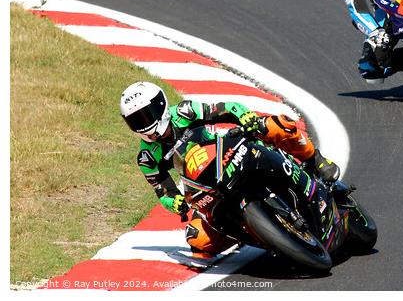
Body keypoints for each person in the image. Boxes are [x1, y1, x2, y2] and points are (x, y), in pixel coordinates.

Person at [120, 81, 339, 258]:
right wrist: (175, 203)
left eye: (145, 115)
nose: (142, 124)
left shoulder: (185, 112)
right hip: (202, 186)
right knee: (196, 238)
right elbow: (163, 191)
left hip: (227, 153)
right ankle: (258, 234)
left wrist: (245, 116)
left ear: (160, 106)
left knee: (276, 125)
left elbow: (225, 109)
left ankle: (314, 159)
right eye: (135, 120)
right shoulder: (147, 157)